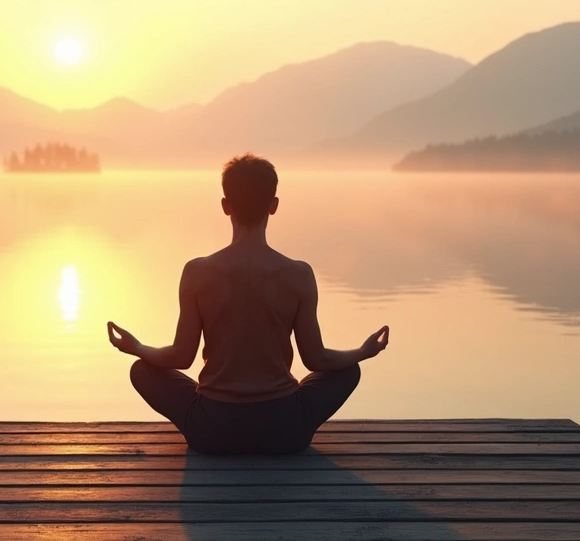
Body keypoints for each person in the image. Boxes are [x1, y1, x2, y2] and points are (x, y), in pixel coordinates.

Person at [107, 153, 389, 455]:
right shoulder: (298, 274)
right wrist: (363, 352)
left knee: (142, 370)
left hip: (212, 431)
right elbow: (316, 360)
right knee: (349, 370)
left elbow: (181, 357)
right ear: (274, 205)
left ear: (226, 206)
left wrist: (136, 347)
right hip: (284, 429)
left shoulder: (197, 272)